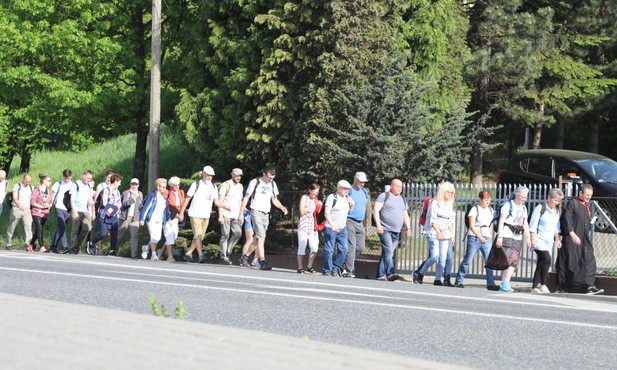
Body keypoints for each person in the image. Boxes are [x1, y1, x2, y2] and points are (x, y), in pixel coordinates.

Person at [556, 184, 604, 295]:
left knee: (589, 260)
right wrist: (572, 234)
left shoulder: (586, 205)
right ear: (580, 193)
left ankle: (589, 286)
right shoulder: (572, 203)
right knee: (568, 262)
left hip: (584, 238)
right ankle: (561, 286)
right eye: (587, 195)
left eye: (591, 195)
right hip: (572, 238)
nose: (589, 197)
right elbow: (566, 219)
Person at [238, 167, 288, 271]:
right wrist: (241, 213)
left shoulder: (273, 184)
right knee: (261, 236)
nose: (271, 180)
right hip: (255, 211)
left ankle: (244, 257)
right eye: (269, 177)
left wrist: (281, 207)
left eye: (272, 178)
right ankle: (262, 261)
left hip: (266, 213)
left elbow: (274, 199)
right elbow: (246, 197)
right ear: (264, 174)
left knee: (258, 239)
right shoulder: (255, 182)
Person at [413, 182, 456, 285]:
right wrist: (438, 232)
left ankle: (437, 279)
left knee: (443, 258)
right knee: (435, 256)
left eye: (452, 193)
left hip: (445, 233)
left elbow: (450, 221)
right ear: (443, 192)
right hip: (433, 232)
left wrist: (452, 236)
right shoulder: (435, 203)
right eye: (448, 192)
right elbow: (432, 220)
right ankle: (420, 273)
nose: (450, 194)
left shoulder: (449, 204)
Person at [454, 190, 498, 290]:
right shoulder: (475, 209)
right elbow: (471, 226)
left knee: (489, 261)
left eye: (489, 200)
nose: (487, 202)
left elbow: (490, 225)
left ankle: (490, 283)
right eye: (485, 200)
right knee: (468, 260)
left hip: (486, 238)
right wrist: (479, 236)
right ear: (480, 199)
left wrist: (489, 236)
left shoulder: (491, 210)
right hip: (474, 237)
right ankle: (459, 281)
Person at [373, 179, 411, 281]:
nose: (399, 189)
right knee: (389, 251)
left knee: (387, 252)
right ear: (391, 186)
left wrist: (408, 228)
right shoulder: (384, 196)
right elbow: (376, 211)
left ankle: (380, 275)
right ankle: (390, 273)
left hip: (397, 231)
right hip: (385, 229)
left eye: (401, 187)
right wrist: (378, 225)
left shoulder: (402, 199)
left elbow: (405, 215)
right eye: (397, 186)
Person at [178, 166, 218, 263]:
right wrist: (181, 213)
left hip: (206, 215)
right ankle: (201, 255)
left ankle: (188, 253)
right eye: (208, 175)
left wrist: (226, 206)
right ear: (203, 174)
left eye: (211, 176)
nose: (209, 177)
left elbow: (216, 201)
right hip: (195, 213)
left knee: (199, 236)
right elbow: (187, 199)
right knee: (199, 236)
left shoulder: (213, 186)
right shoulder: (196, 184)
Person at [495, 186, 531, 293]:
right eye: (522, 196)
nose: (523, 199)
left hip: (517, 236)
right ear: (516, 195)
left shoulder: (524, 208)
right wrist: (499, 237)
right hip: (507, 234)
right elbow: (501, 221)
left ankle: (505, 282)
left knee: (514, 260)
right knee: (508, 260)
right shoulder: (508, 205)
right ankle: (504, 282)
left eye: (525, 197)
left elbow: (525, 223)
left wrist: (528, 238)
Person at [529, 188, 563, 293]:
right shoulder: (540, 208)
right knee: (547, 259)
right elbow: (533, 224)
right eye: (555, 200)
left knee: (541, 262)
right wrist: (532, 239)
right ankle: (543, 284)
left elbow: (556, 228)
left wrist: (558, 239)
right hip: (539, 239)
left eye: (558, 201)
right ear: (549, 197)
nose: (556, 203)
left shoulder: (556, 211)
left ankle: (534, 287)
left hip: (549, 241)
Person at [322, 180, 354, 276]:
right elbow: (326, 213)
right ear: (339, 188)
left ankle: (336, 267)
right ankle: (327, 270)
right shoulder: (332, 198)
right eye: (345, 189)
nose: (346, 191)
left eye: (347, 189)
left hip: (342, 227)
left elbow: (348, 213)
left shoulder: (346, 198)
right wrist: (332, 225)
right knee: (329, 250)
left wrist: (352, 206)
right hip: (331, 227)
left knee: (344, 248)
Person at [343, 172, 369, 278]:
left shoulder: (364, 192)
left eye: (364, 182)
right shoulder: (349, 190)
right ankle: (349, 270)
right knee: (352, 246)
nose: (362, 184)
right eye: (360, 181)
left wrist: (365, 225)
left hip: (360, 222)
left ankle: (344, 263)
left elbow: (365, 208)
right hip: (349, 220)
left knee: (360, 247)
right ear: (355, 179)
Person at [216, 168, 244, 265]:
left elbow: (240, 201)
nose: (238, 177)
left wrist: (241, 214)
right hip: (226, 213)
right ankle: (223, 256)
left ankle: (228, 250)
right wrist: (220, 215)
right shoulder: (226, 185)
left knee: (238, 233)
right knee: (225, 235)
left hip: (235, 215)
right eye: (236, 175)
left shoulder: (240, 187)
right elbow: (220, 200)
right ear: (232, 174)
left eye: (240, 176)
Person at [140, 178, 171, 261]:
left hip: (159, 219)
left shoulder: (164, 198)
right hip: (151, 219)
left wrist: (169, 219)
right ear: (158, 187)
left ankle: (146, 247)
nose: (165, 189)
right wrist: (142, 218)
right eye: (163, 187)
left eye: (165, 187)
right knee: (154, 236)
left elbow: (166, 210)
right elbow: (146, 207)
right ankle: (153, 254)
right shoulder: (152, 195)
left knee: (157, 237)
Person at [91, 173, 123, 256]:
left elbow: (119, 203)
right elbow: (104, 203)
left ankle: (112, 250)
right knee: (103, 233)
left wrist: (116, 210)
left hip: (114, 215)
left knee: (114, 233)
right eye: (119, 181)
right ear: (115, 181)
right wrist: (113, 209)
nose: (120, 183)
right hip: (104, 214)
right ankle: (92, 243)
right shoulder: (106, 190)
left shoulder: (118, 192)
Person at [157, 176, 184, 261]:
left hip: (177, 217)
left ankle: (160, 253)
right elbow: (165, 206)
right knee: (169, 235)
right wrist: (176, 214)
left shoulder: (181, 192)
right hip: (168, 216)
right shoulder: (167, 192)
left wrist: (182, 213)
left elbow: (182, 204)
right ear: (171, 185)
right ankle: (170, 256)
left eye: (178, 185)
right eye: (174, 185)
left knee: (174, 236)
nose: (176, 187)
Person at [296, 183, 321, 273]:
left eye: (317, 192)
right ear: (310, 190)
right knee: (302, 245)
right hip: (304, 224)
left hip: (312, 225)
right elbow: (302, 211)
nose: (316, 194)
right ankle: (300, 267)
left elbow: (318, 212)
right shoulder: (305, 197)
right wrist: (310, 206)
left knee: (314, 246)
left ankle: (309, 266)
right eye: (314, 192)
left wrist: (319, 205)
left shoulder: (316, 199)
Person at [88, 169, 114, 253]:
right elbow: (95, 200)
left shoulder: (113, 187)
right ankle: (99, 250)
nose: (109, 179)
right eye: (108, 177)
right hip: (101, 211)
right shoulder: (101, 186)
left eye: (111, 177)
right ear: (105, 177)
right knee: (101, 231)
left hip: (110, 212)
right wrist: (93, 212)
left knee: (107, 232)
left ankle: (95, 244)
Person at [5, 174, 34, 251]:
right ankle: (8, 243)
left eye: (29, 181)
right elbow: (14, 197)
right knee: (11, 227)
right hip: (16, 209)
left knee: (28, 227)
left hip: (27, 210)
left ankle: (28, 244)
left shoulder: (31, 187)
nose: (28, 183)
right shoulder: (17, 186)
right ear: (23, 179)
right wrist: (19, 205)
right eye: (26, 181)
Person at [69, 170, 95, 254]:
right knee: (75, 229)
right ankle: (73, 247)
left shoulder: (88, 186)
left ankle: (77, 244)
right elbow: (72, 199)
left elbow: (89, 197)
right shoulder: (76, 184)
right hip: (77, 209)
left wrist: (91, 202)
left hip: (86, 210)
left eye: (90, 179)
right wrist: (74, 211)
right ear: (83, 176)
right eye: (88, 178)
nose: (89, 180)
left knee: (88, 227)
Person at [118, 178, 144, 259]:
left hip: (135, 217)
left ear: (138, 185)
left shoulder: (140, 194)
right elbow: (124, 204)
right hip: (126, 216)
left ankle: (134, 254)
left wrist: (141, 218)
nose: (134, 186)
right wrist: (133, 199)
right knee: (120, 234)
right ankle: (113, 250)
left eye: (136, 184)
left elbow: (141, 206)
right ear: (130, 185)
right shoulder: (126, 193)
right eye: (133, 184)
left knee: (134, 236)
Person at [28, 174, 54, 252]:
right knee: (40, 228)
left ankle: (30, 245)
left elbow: (51, 203)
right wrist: (41, 206)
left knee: (38, 230)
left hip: (45, 213)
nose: (50, 182)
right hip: (36, 212)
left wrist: (48, 205)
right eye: (49, 181)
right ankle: (42, 246)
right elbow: (32, 202)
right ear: (43, 181)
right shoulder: (37, 190)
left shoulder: (49, 191)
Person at [50, 169, 73, 253]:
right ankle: (64, 247)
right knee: (62, 226)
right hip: (59, 207)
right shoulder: (58, 184)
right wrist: (50, 204)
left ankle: (53, 246)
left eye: (68, 178)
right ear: (63, 176)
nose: (66, 180)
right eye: (65, 178)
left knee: (61, 228)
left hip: (67, 209)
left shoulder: (73, 185)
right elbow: (52, 194)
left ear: (71, 177)